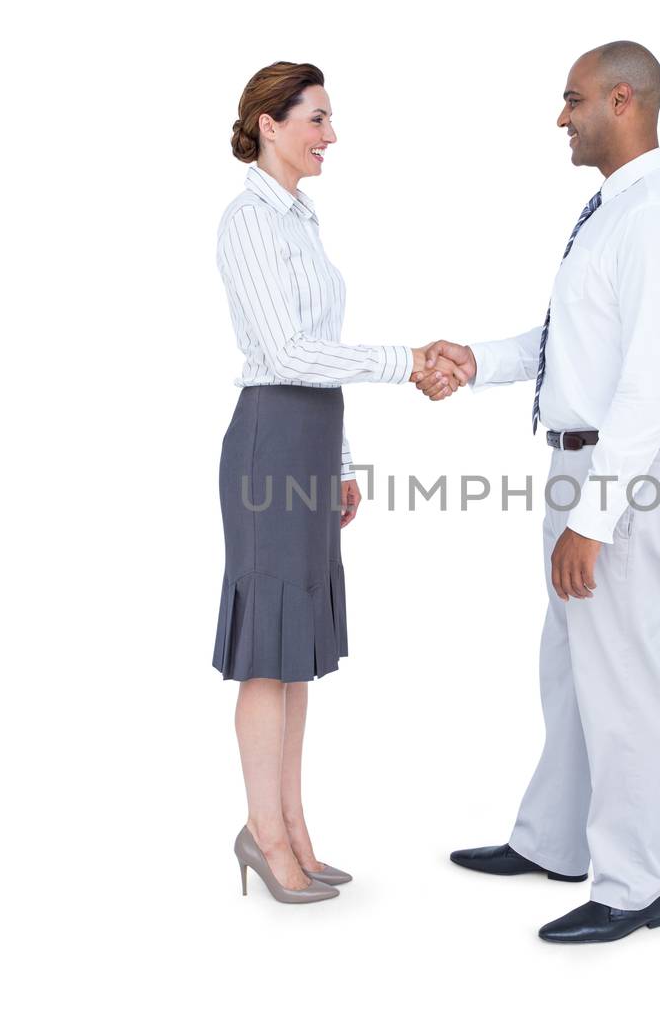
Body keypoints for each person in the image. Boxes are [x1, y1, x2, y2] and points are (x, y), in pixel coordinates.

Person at [416, 42, 660, 942]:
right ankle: (554, 840)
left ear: (623, 101)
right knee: (570, 669)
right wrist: (479, 363)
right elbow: (570, 343)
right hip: (582, 463)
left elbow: (647, 384)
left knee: (622, 680)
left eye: (573, 100)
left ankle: (635, 885)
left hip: (623, 475)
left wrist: (591, 517)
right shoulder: (612, 213)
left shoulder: (658, 217)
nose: (561, 117)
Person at [214, 61, 468, 904]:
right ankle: (266, 833)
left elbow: (322, 342)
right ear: (269, 125)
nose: (330, 136)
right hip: (270, 437)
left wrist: (346, 461)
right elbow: (284, 356)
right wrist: (405, 361)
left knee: (296, 655)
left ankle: (290, 828)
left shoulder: (302, 220)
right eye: (317, 119)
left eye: (328, 119)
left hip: (312, 440)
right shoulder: (247, 221)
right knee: (266, 652)